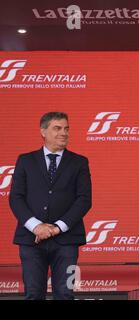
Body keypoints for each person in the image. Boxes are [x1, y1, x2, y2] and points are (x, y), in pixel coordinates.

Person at [9, 112, 92, 300]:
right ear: (43, 131)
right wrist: (36, 226)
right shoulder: (25, 160)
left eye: (66, 128)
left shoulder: (80, 162)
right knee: (33, 295)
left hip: (67, 241)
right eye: (57, 128)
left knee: (65, 294)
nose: (64, 133)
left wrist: (56, 228)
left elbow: (84, 200)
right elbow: (16, 198)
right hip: (31, 240)